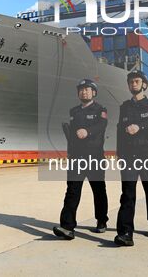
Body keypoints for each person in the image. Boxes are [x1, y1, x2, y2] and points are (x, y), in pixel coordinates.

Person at [53, 79, 109, 240]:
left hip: (94, 157)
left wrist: (87, 131)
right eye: (81, 89)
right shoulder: (74, 111)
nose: (84, 92)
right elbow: (71, 136)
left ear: (94, 93)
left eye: (87, 89)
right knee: (72, 191)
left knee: (98, 190)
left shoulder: (100, 110)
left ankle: (101, 220)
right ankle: (67, 227)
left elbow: (102, 126)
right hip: (77, 157)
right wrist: (70, 153)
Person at [114, 70, 148, 247]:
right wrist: (119, 154)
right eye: (131, 82)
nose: (133, 84)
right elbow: (120, 130)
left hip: (147, 152)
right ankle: (125, 232)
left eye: (136, 81)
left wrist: (138, 127)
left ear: (144, 84)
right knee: (127, 193)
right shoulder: (124, 107)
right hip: (128, 155)